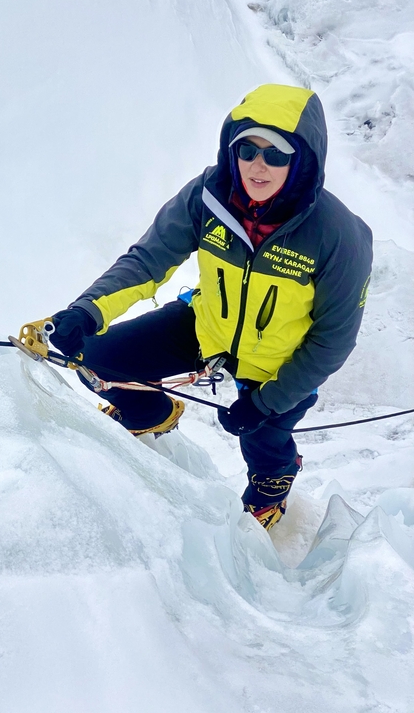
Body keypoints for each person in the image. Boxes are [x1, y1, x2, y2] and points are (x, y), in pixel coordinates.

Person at [39, 84, 373, 530]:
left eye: (275, 154)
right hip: (207, 327)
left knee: (262, 436)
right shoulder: (208, 197)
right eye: (247, 149)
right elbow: (147, 261)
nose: (257, 166)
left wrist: (267, 403)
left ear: (302, 160)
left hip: (280, 364)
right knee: (96, 356)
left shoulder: (337, 234)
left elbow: (333, 340)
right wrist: (86, 312)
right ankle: (151, 413)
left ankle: (272, 483)